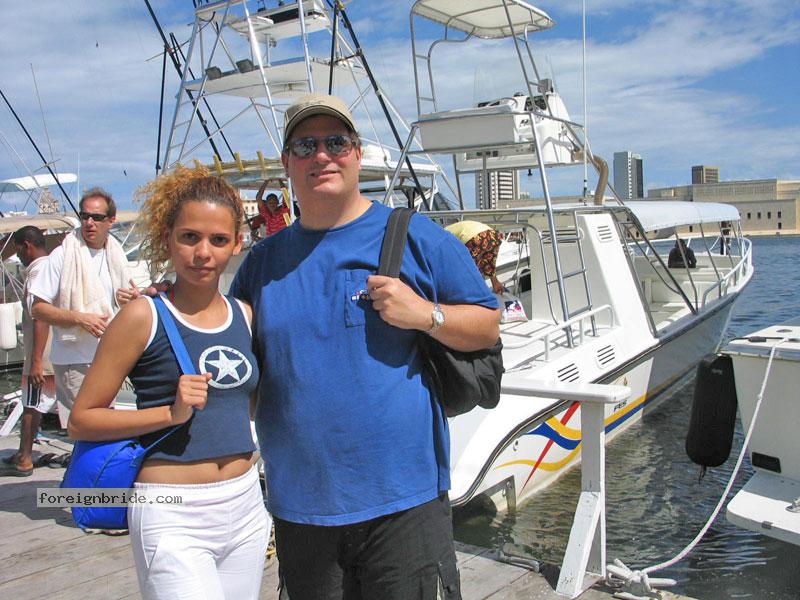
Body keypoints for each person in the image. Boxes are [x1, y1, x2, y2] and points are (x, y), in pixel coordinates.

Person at [230, 93, 500, 599]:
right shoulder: (261, 263)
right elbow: (231, 354)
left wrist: (426, 314)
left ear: (356, 153)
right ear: (287, 162)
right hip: (301, 507)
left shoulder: (419, 238)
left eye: (336, 142)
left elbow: (487, 325)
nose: (321, 155)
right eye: (305, 146)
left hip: (405, 502)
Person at [68, 166, 269, 600]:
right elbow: (81, 420)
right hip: (171, 511)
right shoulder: (143, 315)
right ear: (167, 238)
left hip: (245, 504)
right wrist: (169, 413)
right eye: (189, 237)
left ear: (237, 243)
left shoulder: (246, 315)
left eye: (218, 240)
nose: (203, 253)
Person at [30, 188, 131, 428]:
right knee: (85, 427)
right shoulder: (63, 255)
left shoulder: (115, 253)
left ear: (111, 221)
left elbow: (118, 299)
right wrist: (80, 318)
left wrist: (129, 298)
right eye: (84, 216)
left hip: (107, 357)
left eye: (97, 217)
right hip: (74, 358)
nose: (89, 222)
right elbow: (38, 309)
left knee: (104, 424)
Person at [0, 227, 56, 477]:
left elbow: (39, 317)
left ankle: (24, 458)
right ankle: (23, 454)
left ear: (27, 246)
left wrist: (36, 361)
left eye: (19, 250)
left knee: (31, 405)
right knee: (39, 405)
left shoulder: (37, 273)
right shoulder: (51, 267)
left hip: (42, 355)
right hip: (54, 354)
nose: (19, 256)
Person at [445, 220, 505, 293]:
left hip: (473, 237)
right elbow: (489, 262)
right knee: (475, 267)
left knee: (465, 270)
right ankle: (485, 289)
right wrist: (495, 282)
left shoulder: (441, 233)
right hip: (492, 234)